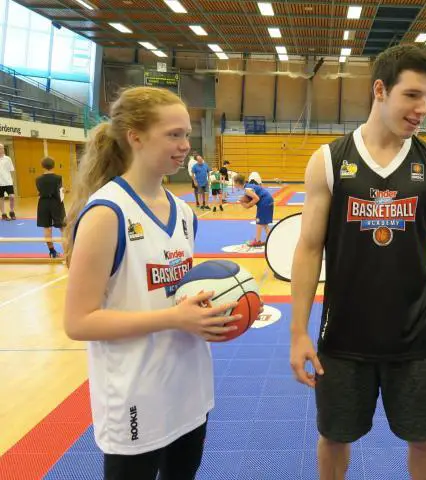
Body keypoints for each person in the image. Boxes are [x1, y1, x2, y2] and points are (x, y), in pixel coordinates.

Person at [289, 44, 426, 480]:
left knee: (424, 438)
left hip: (417, 338)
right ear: (379, 90)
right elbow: (309, 248)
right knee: (333, 437)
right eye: (412, 95)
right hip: (343, 338)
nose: (422, 108)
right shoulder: (329, 161)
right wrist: (298, 331)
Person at [62, 86, 242, 480]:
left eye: (187, 135)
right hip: (135, 394)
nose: (185, 146)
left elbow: (173, 295)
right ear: (136, 136)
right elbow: (79, 322)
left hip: (189, 385)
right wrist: (174, 319)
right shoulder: (107, 213)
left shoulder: (182, 211)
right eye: (173, 134)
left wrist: (224, 308)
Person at [35, 156, 66, 258]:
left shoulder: (38, 179)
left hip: (43, 203)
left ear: (42, 166)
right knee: (62, 227)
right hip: (56, 202)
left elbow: (39, 192)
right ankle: (67, 251)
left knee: (47, 228)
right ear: (53, 165)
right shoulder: (59, 178)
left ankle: (52, 252)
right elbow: (60, 192)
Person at [234, 172, 274, 247]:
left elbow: (256, 198)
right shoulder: (248, 186)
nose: (234, 184)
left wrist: (248, 205)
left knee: (259, 222)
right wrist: (244, 202)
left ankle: (257, 241)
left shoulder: (247, 189)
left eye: (234, 183)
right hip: (268, 200)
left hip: (265, 202)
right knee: (264, 223)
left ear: (237, 183)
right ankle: (271, 238)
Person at [0, 143, 15, 221]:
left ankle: (12, 212)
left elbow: (11, 170)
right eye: (0, 148)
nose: (1, 150)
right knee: (1, 198)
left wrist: (12, 181)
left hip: (8, 182)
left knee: (12, 197)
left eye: (2, 148)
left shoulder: (8, 158)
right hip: (0, 183)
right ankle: (3, 214)